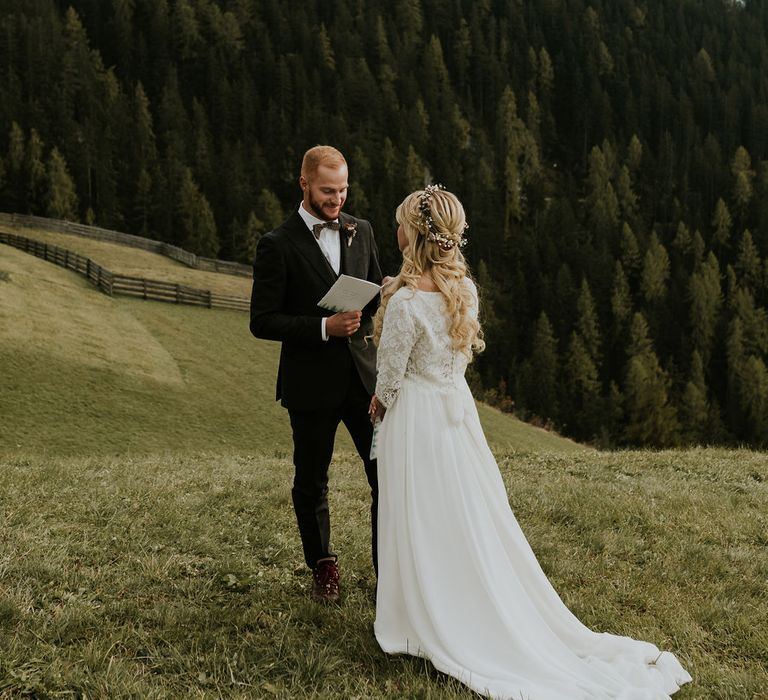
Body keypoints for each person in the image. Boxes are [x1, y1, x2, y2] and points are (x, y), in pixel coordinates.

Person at [368, 185, 691, 699]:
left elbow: (390, 373)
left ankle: (420, 615)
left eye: (402, 223)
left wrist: (380, 405)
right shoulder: (464, 291)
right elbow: (456, 359)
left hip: (418, 418)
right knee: (465, 511)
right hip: (457, 412)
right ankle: (459, 596)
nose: (397, 230)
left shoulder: (406, 303)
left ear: (417, 235)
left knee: (419, 511)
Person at [249, 145, 382, 604]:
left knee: (383, 474)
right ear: (304, 184)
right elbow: (261, 320)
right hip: (310, 382)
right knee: (312, 478)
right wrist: (323, 327)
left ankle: (389, 568)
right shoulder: (277, 244)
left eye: (343, 189)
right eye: (328, 191)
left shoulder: (361, 230)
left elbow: (377, 294)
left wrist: (367, 308)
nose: (337, 200)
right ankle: (323, 565)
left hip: (365, 380)